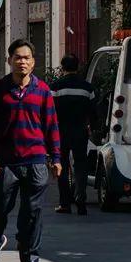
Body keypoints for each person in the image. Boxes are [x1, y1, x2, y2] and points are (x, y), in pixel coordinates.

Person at [0, 39, 61, 262]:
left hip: (36, 160)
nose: (22, 62)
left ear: (33, 62)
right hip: (6, 162)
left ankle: (29, 257)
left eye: (26, 58)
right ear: (9, 60)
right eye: (17, 57)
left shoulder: (43, 90)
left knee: (32, 211)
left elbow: (52, 126)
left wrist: (56, 157)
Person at [49, 54, 96, 215]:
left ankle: (65, 203)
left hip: (60, 132)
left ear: (62, 68)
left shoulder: (55, 87)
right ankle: (81, 201)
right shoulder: (87, 88)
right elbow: (94, 112)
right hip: (80, 131)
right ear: (78, 67)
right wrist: (94, 128)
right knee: (80, 165)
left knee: (61, 165)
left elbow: (49, 112)